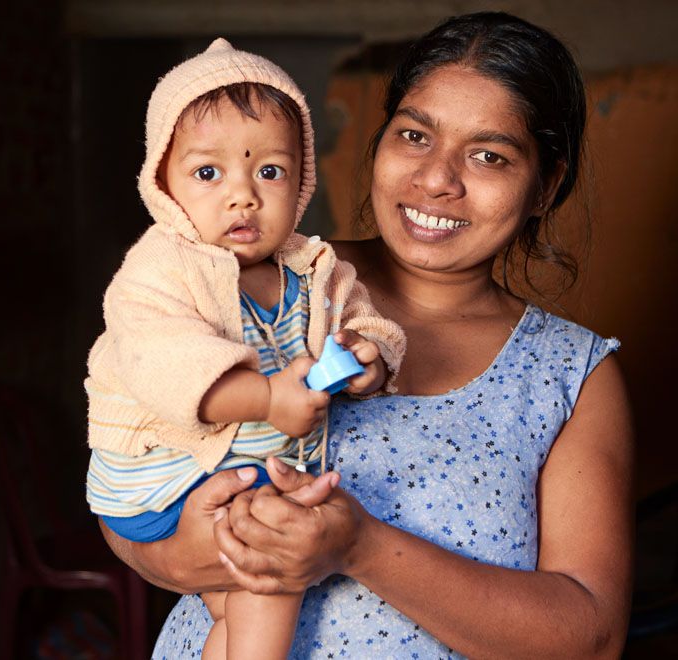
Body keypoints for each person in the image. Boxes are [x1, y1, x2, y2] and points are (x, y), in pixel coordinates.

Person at [102, 12, 635, 660]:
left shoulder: (569, 375)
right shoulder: (255, 279)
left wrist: (359, 547)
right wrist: (173, 555)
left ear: (545, 185)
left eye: (489, 155)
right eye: (414, 135)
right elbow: (129, 465)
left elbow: (593, 635)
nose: (437, 178)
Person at [83, 38, 407, 659]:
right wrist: (266, 398)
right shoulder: (158, 270)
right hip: (162, 471)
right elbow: (166, 364)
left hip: (227, 471)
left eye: (270, 171)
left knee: (238, 604)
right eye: (209, 173)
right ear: (165, 184)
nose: (244, 195)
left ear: (302, 178)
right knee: (275, 552)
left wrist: (369, 356)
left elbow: (364, 318)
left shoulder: (313, 267)